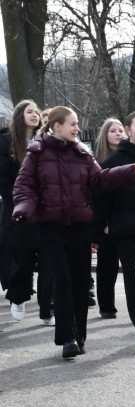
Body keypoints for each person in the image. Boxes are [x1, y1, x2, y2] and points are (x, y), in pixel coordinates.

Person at [12, 106, 135, 360]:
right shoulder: (36, 153)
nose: (77, 128)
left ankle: (79, 336)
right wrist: (24, 207)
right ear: (57, 126)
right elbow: (23, 185)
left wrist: (130, 171)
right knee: (63, 279)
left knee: (81, 281)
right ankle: (67, 338)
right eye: (73, 124)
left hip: (79, 226)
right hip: (50, 227)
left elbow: (100, 180)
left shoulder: (82, 153)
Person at [93, 111, 135, 353]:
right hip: (126, 229)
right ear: (128, 130)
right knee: (133, 279)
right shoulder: (113, 162)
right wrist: (99, 230)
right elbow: (101, 197)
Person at [2, 100, 52, 325]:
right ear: (19, 115)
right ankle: (18, 296)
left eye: (37, 112)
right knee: (23, 263)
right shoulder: (6, 143)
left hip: (45, 213)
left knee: (48, 263)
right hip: (19, 213)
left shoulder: (46, 142)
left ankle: (46, 310)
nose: (35, 115)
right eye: (29, 111)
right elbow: (2, 180)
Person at [92, 117, 126, 319]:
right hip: (106, 220)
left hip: (127, 217)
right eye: (113, 131)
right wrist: (102, 223)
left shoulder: (131, 155)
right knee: (107, 265)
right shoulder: (98, 160)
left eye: (121, 130)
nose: (118, 134)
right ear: (105, 135)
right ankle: (106, 305)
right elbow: (96, 196)